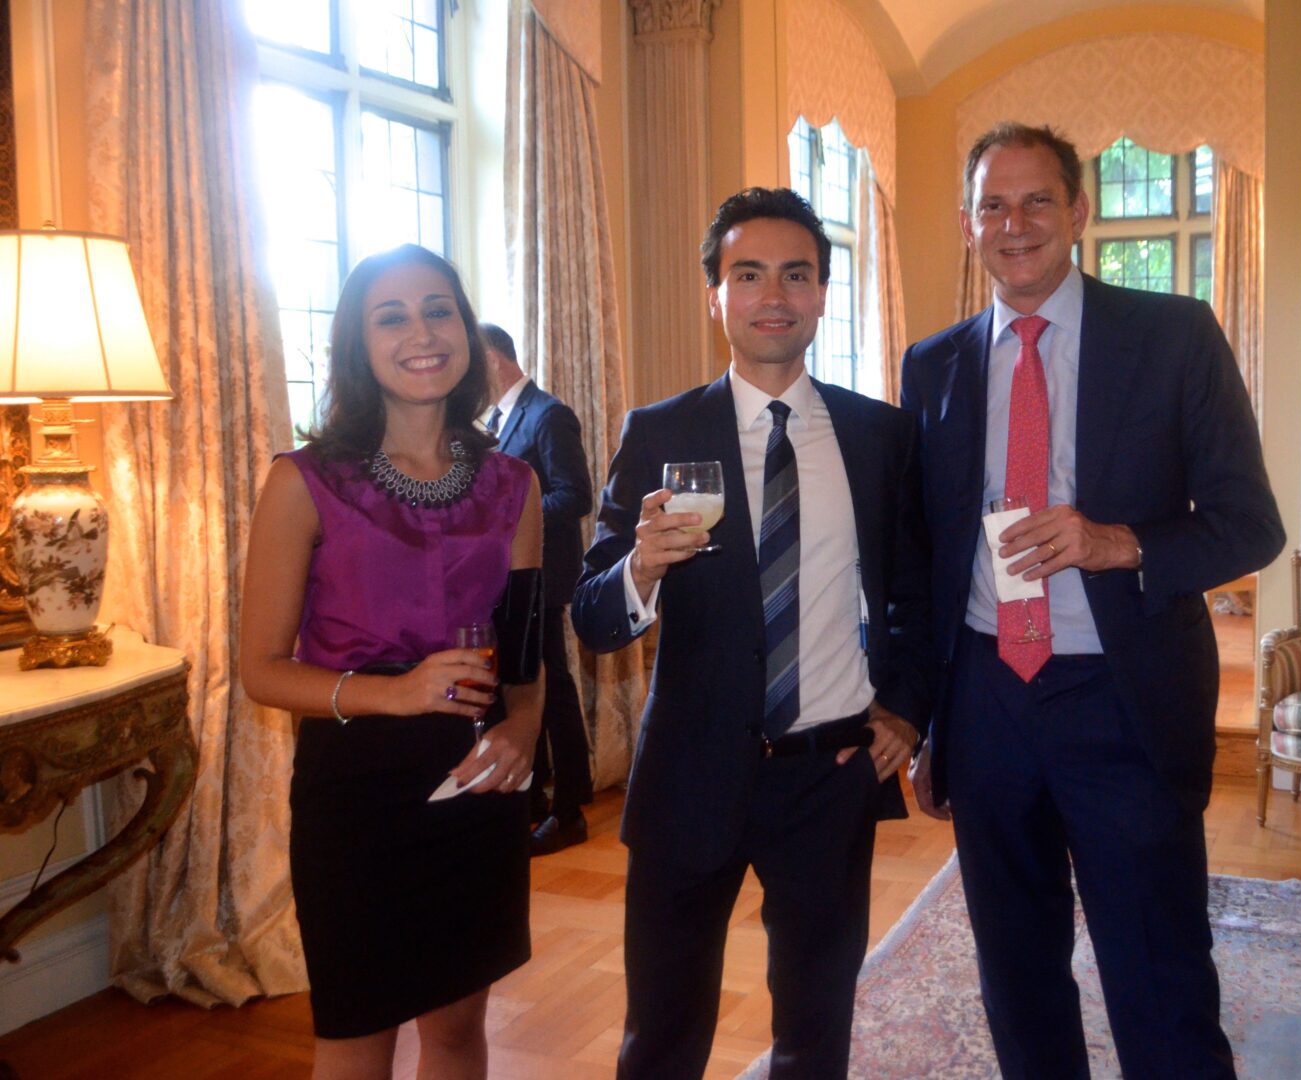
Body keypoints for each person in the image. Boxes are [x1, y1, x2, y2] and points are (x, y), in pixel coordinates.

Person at [899, 123, 1285, 1078]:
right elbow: (920, 556)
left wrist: (1119, 543)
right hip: (987, 696)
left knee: (1157, 973)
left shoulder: (1173, 336)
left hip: (1122, 696)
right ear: (966, 226)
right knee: (1015, 969)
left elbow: (1249, 526)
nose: (1015, 223)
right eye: (992, 205)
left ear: (1078, 212)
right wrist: (923, 717)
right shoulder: (932, 365)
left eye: (1037, 200)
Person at [572, 187, 932, 1079]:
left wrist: (904, 710)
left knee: (814, 1031)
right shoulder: (659, 431)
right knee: (661, 1035)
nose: (773, 295)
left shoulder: (878, 435)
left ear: (821, 295)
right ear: (716, 296)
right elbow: (591, 615)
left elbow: (914, 593)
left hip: (828, 776)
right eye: (748, 274)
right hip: (688, 772)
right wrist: (640, 568)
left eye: (795, 275)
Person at [241, 244, 544, 1077]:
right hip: (356, 796)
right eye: (392, 317)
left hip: (476, 786)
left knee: (457, 1026)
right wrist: (396, 693)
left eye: (438, 310)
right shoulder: (304, 482)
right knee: (356, 1032)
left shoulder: (513, 484)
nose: (421, 333)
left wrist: (523, 727)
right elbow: (261, 670)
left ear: (466, 332)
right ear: (358, 343)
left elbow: (525, 652)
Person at [479, 321, 597, 855]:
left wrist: (510, 518)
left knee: (554, 689)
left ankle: (571, 809)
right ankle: (533, 798)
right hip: (508, 580)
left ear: (492, 359)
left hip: (544, 578)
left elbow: (576, 495)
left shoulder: (548, 414)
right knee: (521, 683)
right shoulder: (496, 422)